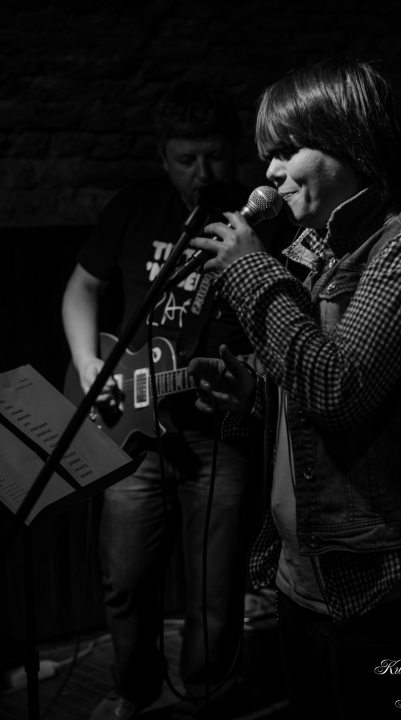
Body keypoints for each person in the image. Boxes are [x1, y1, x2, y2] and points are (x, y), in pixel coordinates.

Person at [188, 59, 401, 719]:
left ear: (351, 143)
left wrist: (252, 271)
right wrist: (252, 392)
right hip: (307, 581)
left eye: (288, 150)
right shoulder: (322, 253)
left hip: (398, 596)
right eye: (267, 154)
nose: (269, 171)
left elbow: (337, 389)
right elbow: (316, 396)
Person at [62, 84, 291, 720]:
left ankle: (206, 698)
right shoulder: (136, 207)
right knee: (125, 578)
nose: (202, 172)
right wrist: (87, 364)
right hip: (131, 424)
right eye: (186, 159)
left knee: (215, 587)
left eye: (214, 156)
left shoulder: (264, 225)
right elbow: (81, 288)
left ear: (233, 154)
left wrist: (250, 379)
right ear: (163, 157)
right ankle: (134, 692)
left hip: (220, 431)